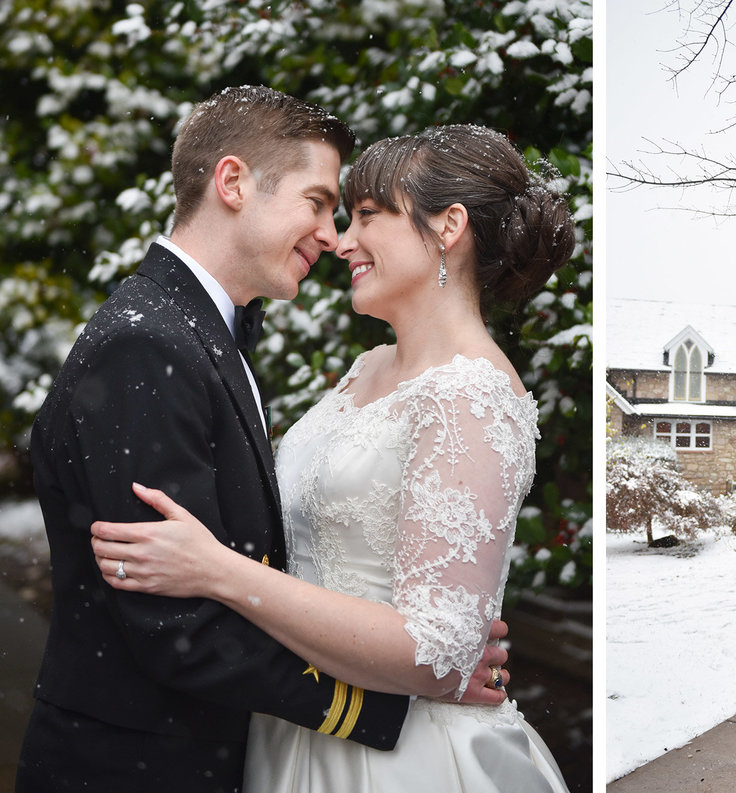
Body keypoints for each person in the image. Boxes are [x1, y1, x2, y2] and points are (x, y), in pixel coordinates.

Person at [17, 88, 506, 793]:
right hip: (132, 767)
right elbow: (177, 628)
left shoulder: (195, 330)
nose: (334, 235)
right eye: (317, 202)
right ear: (234, 183)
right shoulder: (144, 344)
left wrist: (426, 639)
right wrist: (400, 690)